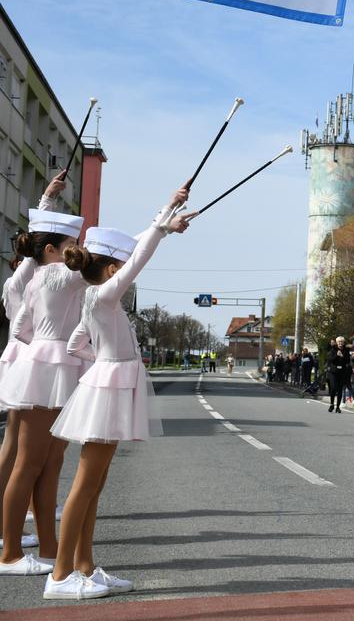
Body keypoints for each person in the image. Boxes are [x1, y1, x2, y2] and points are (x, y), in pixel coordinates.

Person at [45, 190, 193, 599]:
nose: (130, 272)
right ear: (112, 270)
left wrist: (166, 216)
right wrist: (162, 223)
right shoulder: (106, 296)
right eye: (123, 267)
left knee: (94, 484)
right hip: (107, 390)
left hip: (105, 386)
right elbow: (141, 257)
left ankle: (84, 566)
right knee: (85, 484)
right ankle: (59, 577)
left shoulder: (95, 297)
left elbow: (77, 344)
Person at [0, 203, 87, 576]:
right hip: (47, 371)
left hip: (47, 368)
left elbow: (20, 327)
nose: (77, 249)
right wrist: (161, 225)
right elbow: (119, 265)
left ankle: (48, 547)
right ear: (49, 250)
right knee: (29, 462)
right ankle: (10, 554)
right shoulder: (53, 276)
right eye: (71, 243)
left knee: (49, 463)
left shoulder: (43, 276)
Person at [0, 171, 66, 555]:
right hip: (30, 362)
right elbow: (36, 251)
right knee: (24, 452)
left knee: (22, 449)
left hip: (25, 360)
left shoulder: (26, 279)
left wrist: (48, 200)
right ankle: (10, 535)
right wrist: (45, 202)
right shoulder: (27, 280)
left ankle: (18, 525)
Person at [326, 337, 348, 414]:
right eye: (339, 342)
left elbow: (347, 361)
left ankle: (338, 407)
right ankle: (332, 404)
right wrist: (337, 355)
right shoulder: (333, 350)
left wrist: (342, 356)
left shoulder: (346, 350)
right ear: (336, 342)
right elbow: (330, 360)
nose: (340, 343)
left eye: (342, 342)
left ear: (344, 342)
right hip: (333, 372)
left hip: (342, 372)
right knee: (333, 388)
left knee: (340, 389)